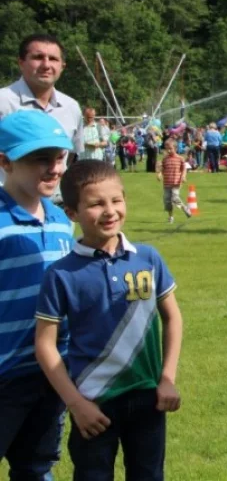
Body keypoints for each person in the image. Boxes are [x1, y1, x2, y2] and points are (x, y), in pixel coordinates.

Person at [34, 160, 183, 481]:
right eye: (96, 203)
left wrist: (167, 378)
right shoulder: (61, 274)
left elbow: (172, 318)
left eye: (116, 200)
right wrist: (75, 403)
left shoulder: (148, 258)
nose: (109, 211)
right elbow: (45, 345)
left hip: (148, 400)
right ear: (71, 213)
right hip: (93, 403)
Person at [0, 111, 75, 479]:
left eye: (59, 157)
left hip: (51, 374)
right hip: (4, 375)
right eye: (39, 159)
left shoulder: (62, 220)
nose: (54, 168)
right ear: (4, 161)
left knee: (36, 467)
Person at [0, 35, 84, 197]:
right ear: (21, 62)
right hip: (6, 207)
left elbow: (72, 156)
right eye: (38, 57)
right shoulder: (2, 102)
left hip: (57, 206)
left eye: (53, 59)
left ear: (62, 66)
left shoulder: (71, 107)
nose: (46, 65)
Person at [157, 138, 192, 223]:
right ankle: (170, 216)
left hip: (176, 182)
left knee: (175, 198)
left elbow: (184, 169)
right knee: (167, 201)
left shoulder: (180, 159)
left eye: (170, 148)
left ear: (175, 148)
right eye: (167, 149)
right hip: (167, 183)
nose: (168, 150)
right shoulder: (165, 159)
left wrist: (183, 176)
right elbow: (162, 168)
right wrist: (159, 174)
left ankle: (185, 208)